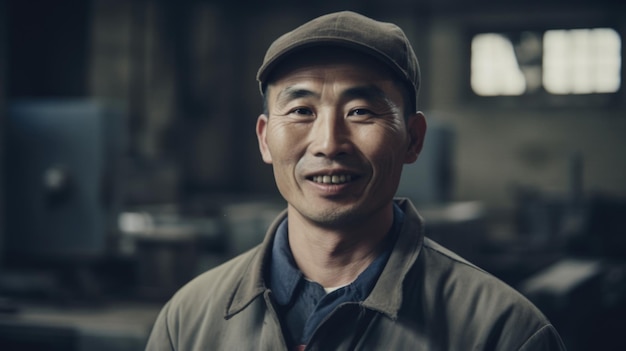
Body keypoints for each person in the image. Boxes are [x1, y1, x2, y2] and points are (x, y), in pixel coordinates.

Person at [145, 11, 566, 350]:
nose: (329, 143)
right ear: (264, 139)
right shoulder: (189, 321)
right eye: (300, 111)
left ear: (413, 139)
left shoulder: (503, 332)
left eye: (361, 111)